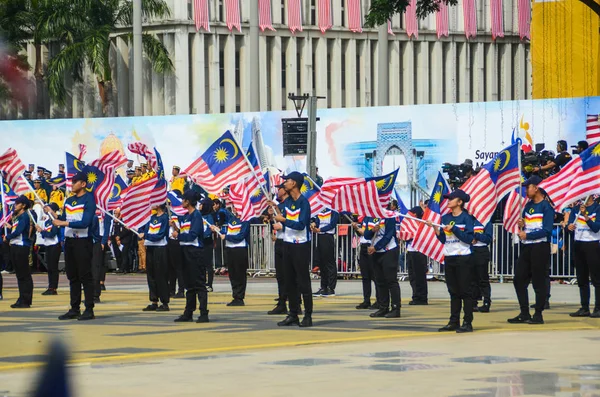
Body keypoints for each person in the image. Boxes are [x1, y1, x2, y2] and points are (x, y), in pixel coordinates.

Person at [46, 172, 97, 321]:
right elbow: (63, 218)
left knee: (85, 275)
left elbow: (85, 222)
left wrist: (63, 223)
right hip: (70, 241)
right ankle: (74, 308)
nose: (72, 184)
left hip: (83, 240)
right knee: (72, 276)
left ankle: (89, 308)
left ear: (83, 184)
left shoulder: (89, 199)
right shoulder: (68, 200)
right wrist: (53, 214)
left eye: (75, 182)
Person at [508, 175, 554, 325]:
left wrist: (528, 234)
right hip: (527, 246)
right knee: (518, 279)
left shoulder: (546, 207)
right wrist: (522, 224)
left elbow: (546, 231)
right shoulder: (528, 205)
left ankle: (538, 313)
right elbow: (526, 225)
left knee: (538, 281)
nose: (526, 190)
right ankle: (524, 312)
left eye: (528, 187)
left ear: (536, 188)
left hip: (540, 246)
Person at [270, 172, 313, 327]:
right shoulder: (288, 203)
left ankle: (308, 315)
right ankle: (292, 313)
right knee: (289, 281)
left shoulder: (304, 203)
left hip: (300, 245)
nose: (284, 184)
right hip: (287, 244)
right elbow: (284, 222)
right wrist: (276, 214)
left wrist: (284, 220)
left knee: (303, 281)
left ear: (294, 183)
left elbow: (301, 224)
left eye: (287, 181)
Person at [430, 189, 475, 333]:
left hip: (463, 257)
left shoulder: (467, 218)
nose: (448, 201)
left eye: (451, 199)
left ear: (460, 202)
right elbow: (444, 239)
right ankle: (453, 321)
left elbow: (469, 239)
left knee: (465, 291)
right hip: (449, 256)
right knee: (453, 291)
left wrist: (454, 228)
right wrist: (436, 230)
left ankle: (467, 322)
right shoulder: (445, 218)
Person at [172, 190, 209, 323]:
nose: (181, 202)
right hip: (185, 251)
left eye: (183, 200)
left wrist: (179, 235)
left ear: (188, 202)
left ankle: (204, 312)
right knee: (189, 284)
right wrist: (176, 229)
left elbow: (193, 235)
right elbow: (185, 232)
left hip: (195, 252)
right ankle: (189, 311)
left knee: (199, 284)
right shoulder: (187, 216)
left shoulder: (196, 216)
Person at [567, 195, 600, 318]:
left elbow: (596, 228)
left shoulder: (597, 208)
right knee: (582, 278)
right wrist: (569, 227)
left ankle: (598, 307)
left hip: (592, 244)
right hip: (578, 244)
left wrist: (586, 216)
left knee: (596, 278)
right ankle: (584, 307)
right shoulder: (576, 209)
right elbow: (569, 226)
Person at [364, 213, 401, 319]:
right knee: (379, 280)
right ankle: (383, 307)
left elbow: (389, 235)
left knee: (391, 280)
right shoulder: (369, 217)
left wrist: (376, 247)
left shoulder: (389, 216)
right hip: (376, 253)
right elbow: (366, 235)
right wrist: (372, 231)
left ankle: (395, 308)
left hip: (388, 251)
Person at [3, 195, 34, 308]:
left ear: (23, 205)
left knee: (24, 274)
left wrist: (8, 237)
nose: (15, 205)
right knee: (20, 275)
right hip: (16, 246)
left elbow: (19, 231)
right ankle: (22, 298)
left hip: (22, 246)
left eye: (17, 203)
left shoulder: (24, 216)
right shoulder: (18, 217)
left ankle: (25, 299)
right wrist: (10, 227)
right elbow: (17, 230)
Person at [217, 207, 250, 306]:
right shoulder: (232, 220)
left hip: (239, 249)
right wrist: (219, 230)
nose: (235, 209)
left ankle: (240, 297)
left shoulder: (245, 220)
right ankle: (235, 295)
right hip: (230, 249)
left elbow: (241, 236)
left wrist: (226, 237)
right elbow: (228, 233)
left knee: (240, 274)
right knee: (232, 274)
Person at [140, 204, 170, 312]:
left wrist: (146, 236)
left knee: (161, 275)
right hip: (150, 248)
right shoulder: (151, 218)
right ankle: (154, 300)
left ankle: (165, 302)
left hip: (160, 248)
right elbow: (144, 229)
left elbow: (160, 234)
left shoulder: (165, 218)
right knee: (151, 275)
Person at [352, 216, 381, 309]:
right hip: (363, 246)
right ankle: (366, 300)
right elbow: (362, 234)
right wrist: (356, 228)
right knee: (365, 276)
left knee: (375, 276)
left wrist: (369, 231)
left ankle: (379, 300)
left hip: (371, 246)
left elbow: (374, 232)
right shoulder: (366, 218)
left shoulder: (378, 217)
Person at [268, 184, 289, 315]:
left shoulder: (291, 204)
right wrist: (272, 216)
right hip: (280, 241)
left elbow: (294, 223)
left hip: (289, 241)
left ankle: (295, 302)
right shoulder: (280, 206)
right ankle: (282, 302)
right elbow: (275, 224)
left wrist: (282, 225)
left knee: (290, 275)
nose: (278, 190)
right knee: (280, 275)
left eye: (280, 188)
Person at [312, 208, 339, 297]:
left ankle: (331, 288)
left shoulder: (333, 209)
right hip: (320, 236)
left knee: (329, 262)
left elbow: (332, 224)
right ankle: (323, 286)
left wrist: (321, 229)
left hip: (328, 236)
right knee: (322, 262)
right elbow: (317, 221)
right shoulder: (319, 209)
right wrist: (314, 224)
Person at [35, 203, 61, 296]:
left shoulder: (56, 220)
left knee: (53, 267)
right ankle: (51, 286)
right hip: (48, 245)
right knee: (49, 267)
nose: (45, 209)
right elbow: (45, 235)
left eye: (48, 207)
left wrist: (42, 231)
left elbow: (52, 234)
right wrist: (41, 231)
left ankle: (53, 287)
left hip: (54, 245)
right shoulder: (47, 221)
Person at [405, 206, 428, 306]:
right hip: (411, 251)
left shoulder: (420, 225)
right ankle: (416, 295)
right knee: (412, 275)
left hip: (419, 251)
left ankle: (422, 297)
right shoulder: (410, 225)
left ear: (415, 215)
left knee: (419, 276)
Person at [471, 219, 493, 313]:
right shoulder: (469, 220)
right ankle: (473, 302)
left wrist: (476, 235)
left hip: (481, 251)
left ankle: (486, 302)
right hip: (471, 251)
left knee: (483, 278)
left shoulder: (486, 221)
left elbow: (488, 238)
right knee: (472, 279)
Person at [91, 211, 110, 303]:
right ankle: (90, 293)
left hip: (99, 241)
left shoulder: (105, 211)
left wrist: (103, 241)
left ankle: (95, 294)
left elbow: (107, 227)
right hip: (90, 241)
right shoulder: (91, 207)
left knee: (97, 268)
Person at [166, 206, 185, 298]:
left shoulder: (179, 215)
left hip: (177, 243)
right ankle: (171, 290)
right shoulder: (167, 215)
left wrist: (174, 226)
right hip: (168, 242)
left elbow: (182, 229)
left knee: (178, 268)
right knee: (170, 268)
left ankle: (181, 290)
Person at [200, 198, 216, 292]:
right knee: (201, 264)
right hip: (200, 243)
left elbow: (209, 229)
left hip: (207, 242)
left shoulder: (209, 216)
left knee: (208, 264)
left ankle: (209, 284)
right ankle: (202, 282)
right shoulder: (198, 215)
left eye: (202, 204)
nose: (200, 206)